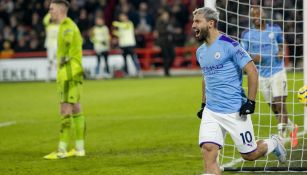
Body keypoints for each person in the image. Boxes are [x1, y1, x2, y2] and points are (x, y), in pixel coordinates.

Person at [192, 7, 287, 175]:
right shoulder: (200, 52)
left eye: (197, 21)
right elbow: (205, 77)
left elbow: (252, 71)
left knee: (249, 154)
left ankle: (273, 143)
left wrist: (250, 101)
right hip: (211, 112)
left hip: (235, 110)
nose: (193, 25)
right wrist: (203, 103)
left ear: (211, 23)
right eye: (194, 21)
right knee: (208, 150)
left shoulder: (231, 45)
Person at [240, 7, 298, 148]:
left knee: (280, 104)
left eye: (258, 13)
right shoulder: (247, 35)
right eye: (253, 15)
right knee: (274, 108)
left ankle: (281, 137)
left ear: (264, 14)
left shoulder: (275, 29)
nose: (256, 17)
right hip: (261, 74)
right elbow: (243, 53)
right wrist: (254, 58)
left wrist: (281, 51)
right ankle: (292, 127)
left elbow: (282, 42)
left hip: (277, 71)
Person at [44, 0, 86, 160]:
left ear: (60, 10)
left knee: (65, 110)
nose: (50, 12)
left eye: (51, 9)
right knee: (76, 108)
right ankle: (79, 148)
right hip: (75, 72)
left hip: (68, 72)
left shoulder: (67, 26)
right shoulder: (69, 25)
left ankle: (61, 150)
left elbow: (68, 41)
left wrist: (62, 60)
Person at [112, 13, 142, 77]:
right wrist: (115, 32)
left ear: (126, 17)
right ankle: (126, 73)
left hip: (130, 44)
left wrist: (116, 23)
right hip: (123, 44)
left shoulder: (129, 23)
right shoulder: (121, 25)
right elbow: (121, 34)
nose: (121, 18)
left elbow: (125, 26)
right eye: (120, 17)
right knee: (124, 60)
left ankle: (139, 71)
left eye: (122, 17)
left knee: (133, 58)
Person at [155, 10, 176, 77]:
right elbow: (160, 31)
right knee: (166, 57)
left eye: (167, 15)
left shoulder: (169, 22)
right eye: (165, 15)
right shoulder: (159, 21)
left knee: (173, 55)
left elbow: (172, 30)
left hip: (170, 41)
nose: (166, 16)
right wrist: (168, 30)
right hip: (163, 41)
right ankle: (166, 72)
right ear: (162, 16)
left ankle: (167, 68)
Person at [43, 13, 59, 82]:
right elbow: (45, 20)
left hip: (57, 45)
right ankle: (48, 77)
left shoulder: (59, 26)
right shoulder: (48, 26)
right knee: (50, 61)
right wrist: (51, 12)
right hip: (50, 46)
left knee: (58, 61)